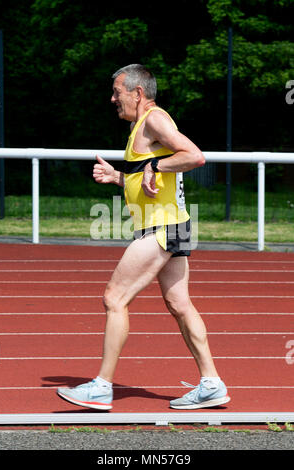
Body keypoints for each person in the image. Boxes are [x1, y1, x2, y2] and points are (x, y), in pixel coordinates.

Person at [57, 64, 230, 411]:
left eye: (117, 92)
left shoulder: (153, 119)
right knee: (179, 304)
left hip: (163, 228)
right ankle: (211, 383)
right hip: (174, 225)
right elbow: (150, 183)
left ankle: (102, 387)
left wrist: (155, 167)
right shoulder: (143, 126)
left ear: (137, 93)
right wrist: (118, 177)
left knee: (114, 298)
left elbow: (194, 156)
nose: (112, 98)